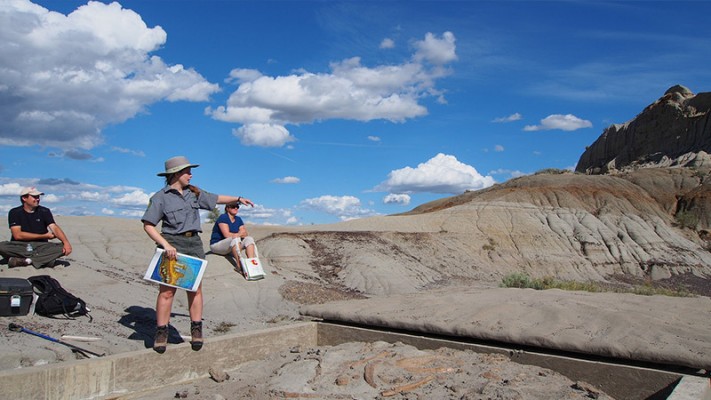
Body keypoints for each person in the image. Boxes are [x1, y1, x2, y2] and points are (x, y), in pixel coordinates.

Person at [141, 155, 253, 354]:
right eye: (187, 172)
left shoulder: (194, 193)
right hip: (172, 243)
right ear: (176, 174)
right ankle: (161, 332)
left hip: (194, 243)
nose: (191, 175)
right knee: (167, 291)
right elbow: (149, 225)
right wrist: (165, 245)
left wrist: (238, 198)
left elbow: (217, 199)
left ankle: (196, 330)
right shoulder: (160, 197)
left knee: (195, 289)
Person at [0, 187, 72, 268]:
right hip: (21, 246)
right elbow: (17, 235)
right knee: (2, 246)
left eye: (38, 197)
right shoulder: (15, 212)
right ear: (24, 198)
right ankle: (44, 260)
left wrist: (66, 242)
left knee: (63, 247)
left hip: (41, 246)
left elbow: (54, 227)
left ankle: (26, 261)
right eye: (34, 197)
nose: (37, 199)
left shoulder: (44, 211)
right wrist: (45, 236)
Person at [209, 201, 256, 276]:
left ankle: (252, 263)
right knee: (235, 238)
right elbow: (227, 235)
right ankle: (239, 265)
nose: (236, 208)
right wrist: (239, 234)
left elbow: (245, 234)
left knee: (249, 239)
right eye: (233, 207)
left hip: (231, 246)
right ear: (227, 208)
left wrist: (239, 234)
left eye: (237, 207)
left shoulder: (238, 219)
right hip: (217, 245)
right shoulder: (223, 217)